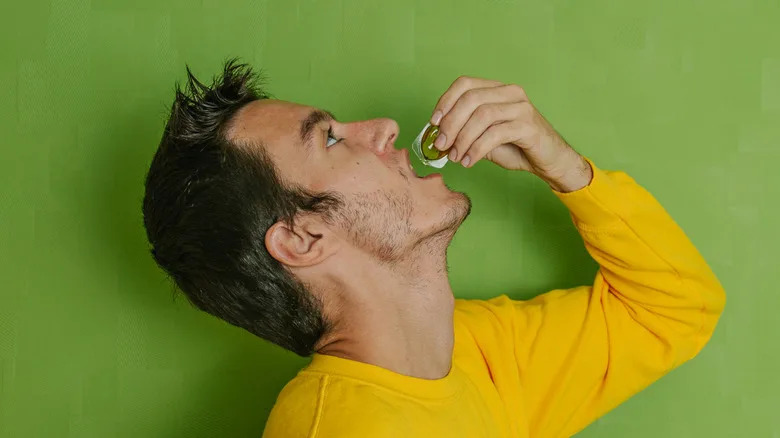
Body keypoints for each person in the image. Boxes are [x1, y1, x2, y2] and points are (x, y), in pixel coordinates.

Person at [142, 59, 726, 438]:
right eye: (330, 137)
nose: (385, 128)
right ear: (301, 238)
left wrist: (566, 168)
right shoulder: (339, 429)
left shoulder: (474, 349)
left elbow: (672, 311)